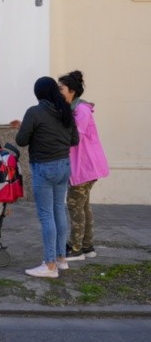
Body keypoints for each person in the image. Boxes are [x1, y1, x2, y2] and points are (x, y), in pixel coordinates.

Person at [15, 76, 79, 279]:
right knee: (59, 210)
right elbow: (74, 139)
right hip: (63, 165)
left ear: (38, 93)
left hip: (44, 167)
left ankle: (50, 264)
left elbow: (21, 140)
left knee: (46, 215)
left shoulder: (34, 112)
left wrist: (30, 130)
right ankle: (61, 259)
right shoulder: (65, 110)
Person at [58, 70, 109, 261]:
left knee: (74, 206)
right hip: (84, 166)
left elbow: (74, 135)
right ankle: (87, 247)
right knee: (83, 206)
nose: (58, 91)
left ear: (71, 91)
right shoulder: (73, 107)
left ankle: (76, 248)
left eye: (61, 88)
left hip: (84, 166)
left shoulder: (81, 110)